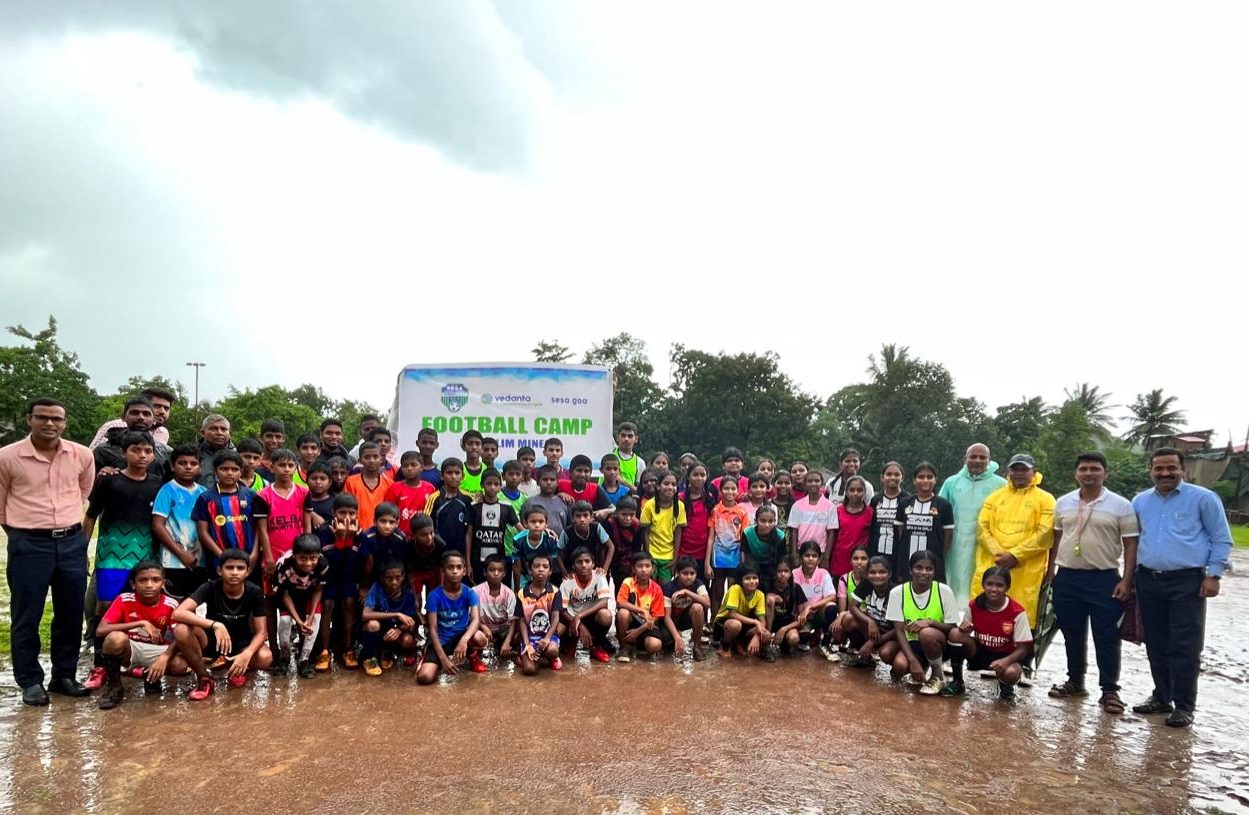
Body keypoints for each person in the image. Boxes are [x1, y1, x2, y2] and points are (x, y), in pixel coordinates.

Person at [0, 397, 95, 705]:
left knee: (69, 613)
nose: (50, 423)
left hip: (71, 541)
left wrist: (74, 537)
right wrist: (21, 535)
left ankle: (64, 676)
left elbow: (84, 491)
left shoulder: (81, 455)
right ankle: (29, 681)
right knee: (27, 614)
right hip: (28, 542)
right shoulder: (7, 457)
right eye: (42, 417)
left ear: (64, 422)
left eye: (57, 418)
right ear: (29, 419)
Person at [1130, 447, 1233, 728]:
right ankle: (1162, 696)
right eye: (1159, 468)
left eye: (1171, 468)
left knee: (1185, 645)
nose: (1165, 473)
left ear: (1182, 469)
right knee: (1156, 642)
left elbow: (1221, 539)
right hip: (1149, 579)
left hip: (1187, 581)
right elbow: (1134, 541)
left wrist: (1214, 575)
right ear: (1150, 470)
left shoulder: (1203, 498)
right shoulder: (1140, 501)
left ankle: (1185, 705)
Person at [1047, 451, 1140, 714]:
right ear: (1076, 473)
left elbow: (1130, 544)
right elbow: (1056, 539)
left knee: (1107, 636)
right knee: (1071, 634)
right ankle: (1075, 681)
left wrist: (1127, 579)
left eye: (1095, 469)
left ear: (1105, 473)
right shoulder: (1063, 503)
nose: (1089, 473)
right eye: (1084, 469)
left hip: (1105, 579)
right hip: (1067, 577)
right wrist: (1050, 572)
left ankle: (1109, 690)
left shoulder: (1121, 505)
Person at [82, 430, 162, 689]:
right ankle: (99, 666)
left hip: (144, 556)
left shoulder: (157, 483)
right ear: (123, 453)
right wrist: (82, 550)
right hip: (112, 554)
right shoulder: (109, 481)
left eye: (147, 451)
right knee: (105, 607)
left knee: (140, 606)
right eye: (136, 450)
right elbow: (91, 516)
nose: (142, 456)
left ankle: (131, 660)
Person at [172, 548, 273, 700]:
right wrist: (215, 625)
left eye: (240, 568)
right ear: (220, 570)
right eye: (229, 567)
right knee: (181, 630)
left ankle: (236, 669)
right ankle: (204, 679)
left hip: (241, 643)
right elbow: (178, 613)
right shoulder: (210, 587)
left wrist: (247, 653)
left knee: (265, 657)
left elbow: (261, 632)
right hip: (212, 641)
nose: (234, 572)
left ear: (248, 571)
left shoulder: (254, 591)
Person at [975, 453, 1055, 628]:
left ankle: (1020, 653)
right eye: (1015, 469)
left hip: (1026, 569)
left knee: (1022, 619)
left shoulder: (1046, 499)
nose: (1019, 473)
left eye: (1024, 470)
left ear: (1034, 472)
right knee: (988, 615)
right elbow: (982, 528)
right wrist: (999, 554)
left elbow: (1045, 534)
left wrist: (1015, 555)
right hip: (994, 562)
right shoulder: (994, 497)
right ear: (1008, 471)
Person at [95, 560, 185, 709]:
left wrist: (165, 657)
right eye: (143, 580)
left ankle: (151, 677)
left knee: (180, 665)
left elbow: (179, 637)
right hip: (131, 648)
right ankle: (114, 686)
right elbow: (100, 630)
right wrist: (141, 623)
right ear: (133, 584)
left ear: (163, 583)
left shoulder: (171, 604)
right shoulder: (124, 600)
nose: (149, 585)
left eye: (155, 580)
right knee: (114, 638)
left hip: (157, 650)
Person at [942, 566, 1033, 700]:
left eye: (999, 585)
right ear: (983, 585)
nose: (993, 589)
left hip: (1005, 656)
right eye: (989, 584)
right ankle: (957, 681)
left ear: (1007, 588)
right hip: (980, 653)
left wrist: (1006, 660)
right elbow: (962, 631)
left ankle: (1006, 686)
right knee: (955, 634)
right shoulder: (974, 605)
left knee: (1012, 673)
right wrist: (963, 628)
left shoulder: (1017, 612)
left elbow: (1024, 648)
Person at [939, 443, 1007, 608]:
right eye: (973, 457)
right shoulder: (952, 482)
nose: (977, 460)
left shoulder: (1001, 485)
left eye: (982, 457)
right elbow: (939, 512)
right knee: (953, 582)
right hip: (955, 546)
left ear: (989, 460)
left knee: (981, 582)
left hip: (985, 547)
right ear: (965, 459)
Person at [885, 549, 958, 696]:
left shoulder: (944, 591)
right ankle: (922, 665)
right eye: (919, 567)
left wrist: (930, 622)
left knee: (927, 633)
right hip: (912, 643)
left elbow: (952, 627)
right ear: (910, 570)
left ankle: (937, 676)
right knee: (900, 665)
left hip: (939, 643)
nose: (924, 572)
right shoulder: (897, 593)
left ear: (934, 571)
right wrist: (912, 661)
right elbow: (899, 630)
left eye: (929, 568)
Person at [192, 450, 271, 579]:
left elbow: (259, 527)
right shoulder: (206, 498)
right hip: (219, 561)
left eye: (234, 469)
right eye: (224, 469)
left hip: (249, 559)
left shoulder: (250, 495)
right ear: (215, 471)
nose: (229, 473)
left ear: (240, 471)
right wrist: (222, 555)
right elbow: (203, 533)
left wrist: (255, 553)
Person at [419, 551, 487, 683]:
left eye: (459, 567)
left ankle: (472, 655)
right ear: (443, 571)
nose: (455, 571)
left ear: (464, 570)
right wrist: (444, 660)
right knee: (425, 678)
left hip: (460, 637)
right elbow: (432, 629)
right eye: (450, 567)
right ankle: (428, 658)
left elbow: (475, 620)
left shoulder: (469, 592)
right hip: (441, 639)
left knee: (479, 638)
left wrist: (464, 641)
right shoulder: (434, 596)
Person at [151, 444, 208, 600]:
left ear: (200, 467)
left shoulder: (204, 493)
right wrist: (181, 553)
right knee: (174, 603)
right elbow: (157, 525)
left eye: (193, 464)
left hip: (200, 561)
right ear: (172, 466)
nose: (188, 467)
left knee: (197, 604)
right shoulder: (167, 491)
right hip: (173, 560)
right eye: (182, 463)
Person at [312, 493, 361, 670]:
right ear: (333, 512)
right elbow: (323, 560)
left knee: (349, 604)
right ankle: (324, 651)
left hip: (348, 576)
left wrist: (347, 540)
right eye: (342, 513)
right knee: (327, 605)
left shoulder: (359, 532)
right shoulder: (324, 531)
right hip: (328, 577)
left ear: (357, 514)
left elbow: (356, 560)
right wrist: (339, 540)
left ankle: (348, 649)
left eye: (351, 513)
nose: (347, 518)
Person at [271, 534, 329, 677]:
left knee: (314, 620)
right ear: (295, 555)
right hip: (289, 596)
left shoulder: (322, 564)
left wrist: (308, 619)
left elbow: (318, 590)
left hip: (309, 596)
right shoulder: (283, 565)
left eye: (312, 558)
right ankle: (284, 658)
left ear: (318, 555)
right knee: (284, 622)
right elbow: (284, 595)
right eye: (303, 558)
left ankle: (304, 660)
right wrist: (298, 620)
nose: (308, 563)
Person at [895, 463, 954, 582]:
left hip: (933, 561)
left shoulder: (944, 505)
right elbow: (900, 531)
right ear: (914, 480)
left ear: (935, 480)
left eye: (929, 477)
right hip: (906, 560)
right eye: (921, 477)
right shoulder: (904, 503)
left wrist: (939, 554)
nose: (925, 480)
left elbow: (948, 534)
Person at [360, 560, 419, 676]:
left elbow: (412, 622)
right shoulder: (377, 588)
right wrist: (396, 614)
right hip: (377, 631)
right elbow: (365, 615)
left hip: (393, 633)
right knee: (373, 624)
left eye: (398, 577)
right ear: (382, 578)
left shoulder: (408, 595)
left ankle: (387, 653)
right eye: (389, 578)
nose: (394, 582)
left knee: (408, 640)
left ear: (403, 576)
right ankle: (369, 658)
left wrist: (400, 630)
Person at [92, 396, 172, 479]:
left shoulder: (166, 453)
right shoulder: (104, 450)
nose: (141, 417)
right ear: (123, 417)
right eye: (134, 413)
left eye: (146, 414)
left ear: (154, 420)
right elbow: (86, 481)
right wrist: (99, 476)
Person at [559, 547, 613, 662]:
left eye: (587, 561)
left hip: (591, 616)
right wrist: (579, 624)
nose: (583, 565)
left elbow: (604, 602)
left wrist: (580, 617)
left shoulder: (599, 577)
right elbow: (561, 610)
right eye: (579, 562)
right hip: (572, 619)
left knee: (606, 615)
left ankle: (596, 645)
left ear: (593, 564)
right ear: (573, 566)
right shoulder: (567, 581)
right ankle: (569, 643)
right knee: (558, 629)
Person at [467, 469, 519, 582]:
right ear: (482, 485)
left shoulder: (507, 507)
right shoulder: (474, 506)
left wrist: (541, 532)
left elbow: (521, 530)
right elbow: (469, 535)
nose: (492, 487)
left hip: (499, 562)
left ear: (500, 486)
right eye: (489, 483)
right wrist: (468, 562)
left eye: (496, 484)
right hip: (477, 562)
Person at [706, 477, 748, 615]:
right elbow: (711, 537)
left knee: (732, 591)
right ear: (720, 490)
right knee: (717, 590)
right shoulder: (715, 511)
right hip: (718, 558)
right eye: (726, 488)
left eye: (733, 488)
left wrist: (743, 559)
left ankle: (729, 619)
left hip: (735, 558)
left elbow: (744, 537)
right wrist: (707, 563)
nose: (730, 491)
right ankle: (713, 621)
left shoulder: (742, 512)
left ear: (738, 490)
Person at [614, 554, 666, 662]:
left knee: (654, 645)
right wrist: (641, 610)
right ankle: (624, 648)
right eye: (640, 566)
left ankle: (638, 643)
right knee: (623, 613)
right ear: (633, 569)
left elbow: (655, 617)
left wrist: (638, 631)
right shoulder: (628, 582)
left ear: (653, 569)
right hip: (631, 620)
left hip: (647, 625)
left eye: (647, 566)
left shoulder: (657, 589)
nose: (643, 570)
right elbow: (620, 603)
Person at [517, 553, 564, 674]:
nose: (541, 569)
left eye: (545, 566)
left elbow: (555, 618)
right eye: (536, 566)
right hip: (530, 636)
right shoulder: (522, 594)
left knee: (552, 650)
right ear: (529, 570)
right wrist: (527, 644)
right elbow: (521, 621)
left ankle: (551, 657)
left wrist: (547, 638)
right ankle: (527, 655)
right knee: (529, 670)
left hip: (548, 635)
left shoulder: (555, 592)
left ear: (550, 571)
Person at [847, 556, 897, 668]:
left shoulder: (895, 592)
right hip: (874, 629)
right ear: (867, 574)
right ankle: (865, 656)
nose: (877, 576)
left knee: (885, 653)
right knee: (847, 619)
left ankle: (898, 669)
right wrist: (870, 621)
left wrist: (872, 642)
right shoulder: (867, 584)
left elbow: (900, 628)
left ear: (889, 574)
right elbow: (852, 606)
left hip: (892, 634)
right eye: (872, 572)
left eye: (882, 572)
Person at [89, 386, 174, 449]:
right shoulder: (114, 426)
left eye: (166, 408)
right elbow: (92, 455)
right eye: (157, 406)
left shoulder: (162, 432)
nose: (163, 412)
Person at [714, 567, 769, 660]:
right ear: (741, 580)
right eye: (747, 578)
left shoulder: (760, 594)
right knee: (735, 625)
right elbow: (732, 614)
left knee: (766, 634)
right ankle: (725, 646)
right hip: (724, 623)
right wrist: (756, 622)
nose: (751, 581)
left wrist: (757, 636)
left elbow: (762, 620)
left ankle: (738, 642)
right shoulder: (735, 589)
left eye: (755, 578)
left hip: (743, 623)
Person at [792, 540, 838, 655]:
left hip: (818, 614)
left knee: (831, 607)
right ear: (801, 557)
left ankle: (826, 643)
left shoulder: (823, 574)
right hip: (801, 616)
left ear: (819, 559)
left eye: (814, 556)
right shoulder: (794, 574)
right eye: (807, 555)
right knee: (802, 639)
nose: (810, 558)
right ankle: (812, 634)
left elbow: (832, 596)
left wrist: (811, 607)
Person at [641, 470, 686, 582]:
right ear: (658, 486)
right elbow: (645, 532)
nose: (670, 487)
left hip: (668, 556)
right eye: (666, 484)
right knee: (650, 588)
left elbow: (678, 533)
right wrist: (648, 557)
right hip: (652, 554)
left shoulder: (680, 506)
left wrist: (675, 558)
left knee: (665, 590)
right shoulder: (649, 505)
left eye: (673, 484)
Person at [787, 470, 837, 568]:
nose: (813, 483)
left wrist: (826, 557)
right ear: (805, 483)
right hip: (801, 551)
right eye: (810, 481)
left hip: (820, 553)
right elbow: (794, 531)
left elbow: (831, 532)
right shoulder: (797, 506)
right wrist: (794, 555)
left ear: (822, 483)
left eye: (816, 481)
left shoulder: (830, 506)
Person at [473, 554, 519, 662]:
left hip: (503, 629)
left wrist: (507, 642)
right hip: (483, 628)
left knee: (518, 636)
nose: (496, 573)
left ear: (504, 574)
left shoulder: (509, 594)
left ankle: (506, 648)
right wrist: (483, 626)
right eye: (492, 570)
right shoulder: (475, 592)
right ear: (485, 572)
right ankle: (474, 654)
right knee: (476, 636)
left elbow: (513, 621)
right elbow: (470, 617)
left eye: (500, 570)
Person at [868, 461, 908, 582]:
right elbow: (872, 526)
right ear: (882, 477)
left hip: (897, 552)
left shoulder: (907, 500)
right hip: (876, 550)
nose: (892, 477)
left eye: (896, 475)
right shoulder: (876, 500)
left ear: (902, 477)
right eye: (888, 474)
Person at [662, 556, 709, 660]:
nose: (689, 577)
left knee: (698, 608)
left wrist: (687, 592)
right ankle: (675, 637)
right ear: (678, 573)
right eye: (685, 573)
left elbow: (707, 603)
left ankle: (697, 646)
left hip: (686, 619)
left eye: (692, 573)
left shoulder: (698, 583)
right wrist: (677, 637)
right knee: (666, 643)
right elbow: (667, 617)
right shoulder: (668, 588)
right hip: (672, 621)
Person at [356, 502, 407, 597]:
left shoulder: (400, 538)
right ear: (375, 521)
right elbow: (368, 565)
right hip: (371, 574)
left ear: (397, 523)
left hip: (392, 574)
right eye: (383, 521)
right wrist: (365, 587)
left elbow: (402, 562)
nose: (387, 526)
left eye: (391, 522)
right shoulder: (367, 536)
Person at [831, 476, 874, 580]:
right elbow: (832, 535)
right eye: (852, 490)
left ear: (865, 492)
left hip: (860, 562)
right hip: (839, 560)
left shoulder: (871, 513)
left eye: (859, 490)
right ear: (846, 492)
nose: (855, 493)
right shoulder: (837, 511)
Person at [342, 441, 392, 530]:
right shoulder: (351, 482)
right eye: (367, 457)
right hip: (356, 531)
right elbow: (346, 507)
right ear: (360, 460)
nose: (371, 460)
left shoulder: (389, 484)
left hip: (381, 533)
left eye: (375, 457)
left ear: (381, 459)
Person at [427, 457, 471, 556]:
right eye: (449, 473)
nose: (453, 476)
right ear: (442, 476)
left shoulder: (467, 499)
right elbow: (426, 524)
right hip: (439, 552)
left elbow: (470, 529)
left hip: (461, 552)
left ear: (463, 476)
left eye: (457, 473)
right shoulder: (434, 498)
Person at [764, 558, 807, 658]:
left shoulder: (796, 588)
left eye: (786, 571)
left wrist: (784, 629)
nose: (783, 574)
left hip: (788, 624)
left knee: (794, 638)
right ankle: (768, 640)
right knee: (770, 598)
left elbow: (802, 619)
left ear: (791, 573)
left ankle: (782, 646)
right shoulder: (768, 587)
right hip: (770, 624)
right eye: (779, 571)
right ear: (775, 573)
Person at [386, 450, 438, 532]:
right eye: (405, 466)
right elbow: (388, 513)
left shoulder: (430, 488)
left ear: (421, 467)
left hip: (422, 537)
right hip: (400, 535)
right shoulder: (394, 488)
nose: (409, 468)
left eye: (413, 465)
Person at [512, 504, 563, 588]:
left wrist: (545, 585)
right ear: (525, 523)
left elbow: (550, 564)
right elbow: (517, 565)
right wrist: (517, 589)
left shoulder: (551, 539)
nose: (537, 525)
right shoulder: (518, 540)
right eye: (533, 522)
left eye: (541, 522)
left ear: (546, 524)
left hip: (542, 573)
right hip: (523, 575)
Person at [679, 462, 715, 581]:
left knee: (702, 588)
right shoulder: (680, 498)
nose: (699, 478)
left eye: (702, 475)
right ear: (688, 476)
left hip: (703, 553)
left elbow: (711, 530)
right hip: (683, 551)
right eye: (695, 475)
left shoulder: (710, 499)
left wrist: (707, 563)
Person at [558, 500, 612, 576]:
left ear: (591, 517)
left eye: (585, 515)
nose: (582, 519)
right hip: (573, 570)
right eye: (578, 516)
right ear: (572, 518)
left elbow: (611, 546)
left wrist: (604, 569)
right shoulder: (567, 532)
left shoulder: (596, 527)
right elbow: (558, 553)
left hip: (595, 568)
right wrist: (564, 572)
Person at [742, 504, 787, 592]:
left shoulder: (780, 536)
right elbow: (747, 559)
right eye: (763, 521)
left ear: (775, 521)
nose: (767, 525)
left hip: (772, 568)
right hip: (753, 567)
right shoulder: (747, 533)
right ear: (756, 521)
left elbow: (781, 561)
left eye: (771, 521)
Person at [606, 497, 646, 588]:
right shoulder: (609, 524)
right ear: (616, 513)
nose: (628, 518)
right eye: (624, 514)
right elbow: (604, 547)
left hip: (628, 561)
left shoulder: (638, 526)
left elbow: (636, 549)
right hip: (612, 559)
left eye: (631, 515)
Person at [406, 513, 446, 599]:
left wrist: (441, 588)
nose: (429, 538)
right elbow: (409, 571)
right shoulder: (409, 546)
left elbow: (441, 569)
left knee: (434, 597)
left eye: (431, 533)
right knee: (415, 600)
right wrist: (414, 595)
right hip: (417, 572)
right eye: (424, 535)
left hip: (434, 571)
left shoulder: (440, 544)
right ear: (414, 535)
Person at [523, 464, 569, 538]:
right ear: (538, 482)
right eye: (545, 479)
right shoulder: (530, 503)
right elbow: (524, 527)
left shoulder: (564, 501)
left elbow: (568, 526)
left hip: (560, 545)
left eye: (552, 479)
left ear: (557, 482)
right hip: (536, 544)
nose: (549, 482)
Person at [559, 454, 612, 519]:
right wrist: (559, 494)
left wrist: (606, 511)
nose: (582, 475)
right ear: (570, 471)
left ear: (591, 473)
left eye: (586, 471)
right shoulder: (560, 485)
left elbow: (614, 509)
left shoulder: (595, 489)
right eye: (579, 470)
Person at [196, 414, 233, 487]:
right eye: (213, 429)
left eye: (223, 429)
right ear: (203, 432)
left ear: (229, 434)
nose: (219, 433)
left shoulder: (237, 456)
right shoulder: (193, 455)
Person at [302, 461, 335, 532]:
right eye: (314, 478)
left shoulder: (335, 502)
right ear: (307, 480)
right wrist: (311, 514)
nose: (318, 482)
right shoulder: (301, 500)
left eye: (323, 479)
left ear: (330, 482)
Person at [613, 421, 646, 487]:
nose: (626, 439)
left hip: (628, 497)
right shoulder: (608, 454)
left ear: (636, 439)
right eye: (623, 435)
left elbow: (640, 489)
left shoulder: (640, 463)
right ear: (617, 437)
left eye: (630, 436)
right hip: (603, 496)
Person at [459, 430, 487, 499]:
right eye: (470, 444)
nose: (474, 447)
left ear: (482, 448)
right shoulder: (458, 470)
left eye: (477, 444)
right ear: (463, 447)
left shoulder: (487, 470)